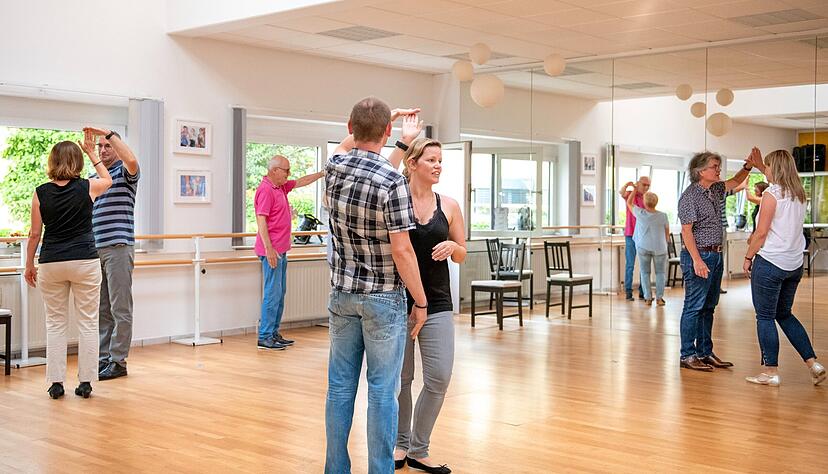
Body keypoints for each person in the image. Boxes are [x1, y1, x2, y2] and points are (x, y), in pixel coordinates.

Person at [323, 98, 426, 474]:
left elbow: (346, 145)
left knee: (339, 388)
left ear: (350, 125)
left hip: (342, 295)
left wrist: (388, 129)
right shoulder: (392, 180)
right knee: (383, 391)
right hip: (383, 298)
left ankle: (335, 469)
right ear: (387, 132)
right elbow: (402, 250)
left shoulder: (334, 167)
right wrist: (421, 299)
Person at [394, 138, 466, 474]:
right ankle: (400, 443)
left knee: (438, 377)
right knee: (402, 379)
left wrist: (453, 244)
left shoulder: (449, 205)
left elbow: (463, 253)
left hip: (437, 301)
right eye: (431, 160)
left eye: (440, 161)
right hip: (397, 302)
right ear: (412, 163)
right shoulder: (395, 202)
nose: (437, 166)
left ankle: (418, 449)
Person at [24, 132, 112, 399]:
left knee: (55, 324)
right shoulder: (88, 187)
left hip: (51, 262)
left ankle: (56, 383)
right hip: (85, 260)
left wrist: (29, 264)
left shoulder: (40, 193)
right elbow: (108, 179)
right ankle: (85, 382)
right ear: (77, 161)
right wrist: (92, 152)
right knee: (87, 322)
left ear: (52, 161)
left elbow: (34, 234)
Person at [742, 149, 825, 386]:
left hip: (770, 264)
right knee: (784, 314)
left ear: (774, 169)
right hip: (793, 265)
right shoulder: (799, 194)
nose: (765, 170)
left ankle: (770, 372)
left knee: (765, 317)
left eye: (767, 166)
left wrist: (748, 257)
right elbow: (778, 181)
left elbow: (761, 232)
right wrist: (760, 165)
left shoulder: (770, 194)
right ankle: (813, 364)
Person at [677, 150, 753, 371]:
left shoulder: (717, 189)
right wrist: (697, 260)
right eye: (714, 166)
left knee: (709, 306)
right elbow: (686, 232)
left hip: (716, 254)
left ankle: (704, 352)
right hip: (699, 255)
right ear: (700, 171)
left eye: (718, 166)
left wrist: (747, 167)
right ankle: (687, 355)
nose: (719, 170)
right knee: (694, 306)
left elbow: (736, 180)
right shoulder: (690, 196)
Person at [85, 127, 140, 381]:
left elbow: (131, 160)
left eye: (108, 146)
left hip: (118, 247)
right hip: (96, 249)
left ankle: (118, 361)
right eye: (100, 147)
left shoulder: (125, 173)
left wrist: (108, 134)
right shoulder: (94, 179)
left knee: (120, 308)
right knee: (103, 309)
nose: (104, 150)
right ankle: (104, 358)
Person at [254, 155, 325, 350]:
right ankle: (265, 336)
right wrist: (269, 248)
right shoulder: (266, 190)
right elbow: (261, 220)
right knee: (272, 293)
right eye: (286, 170)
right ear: (274, 170)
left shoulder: (280, 187)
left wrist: (322, 173)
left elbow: (301, 182)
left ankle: (273, 333)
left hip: (281, 249)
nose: (289, 174)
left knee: (280, 292)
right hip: (272, 251)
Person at [624, 185, 669, 306]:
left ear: (645, 202)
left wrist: (634, 190)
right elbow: (666, 233)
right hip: (660, 248)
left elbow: (629, 202)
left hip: (643, 247)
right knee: (660, 273)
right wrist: (666, 244)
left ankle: (648, 298)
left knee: (645, 273)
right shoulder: (663, 215)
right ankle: (659, 298)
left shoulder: (640, 213)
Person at [619, 177, 650, 301]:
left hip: (643, 235)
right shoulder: (630, 195)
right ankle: (628, 291)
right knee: (630, 265)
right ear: (638, 184)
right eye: (644, 184)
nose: (646, 187)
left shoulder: (648, 198)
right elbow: (621, 192)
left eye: (648, 185)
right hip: (630, 235)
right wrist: (629, 185)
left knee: (644, 265)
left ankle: (643, 291)